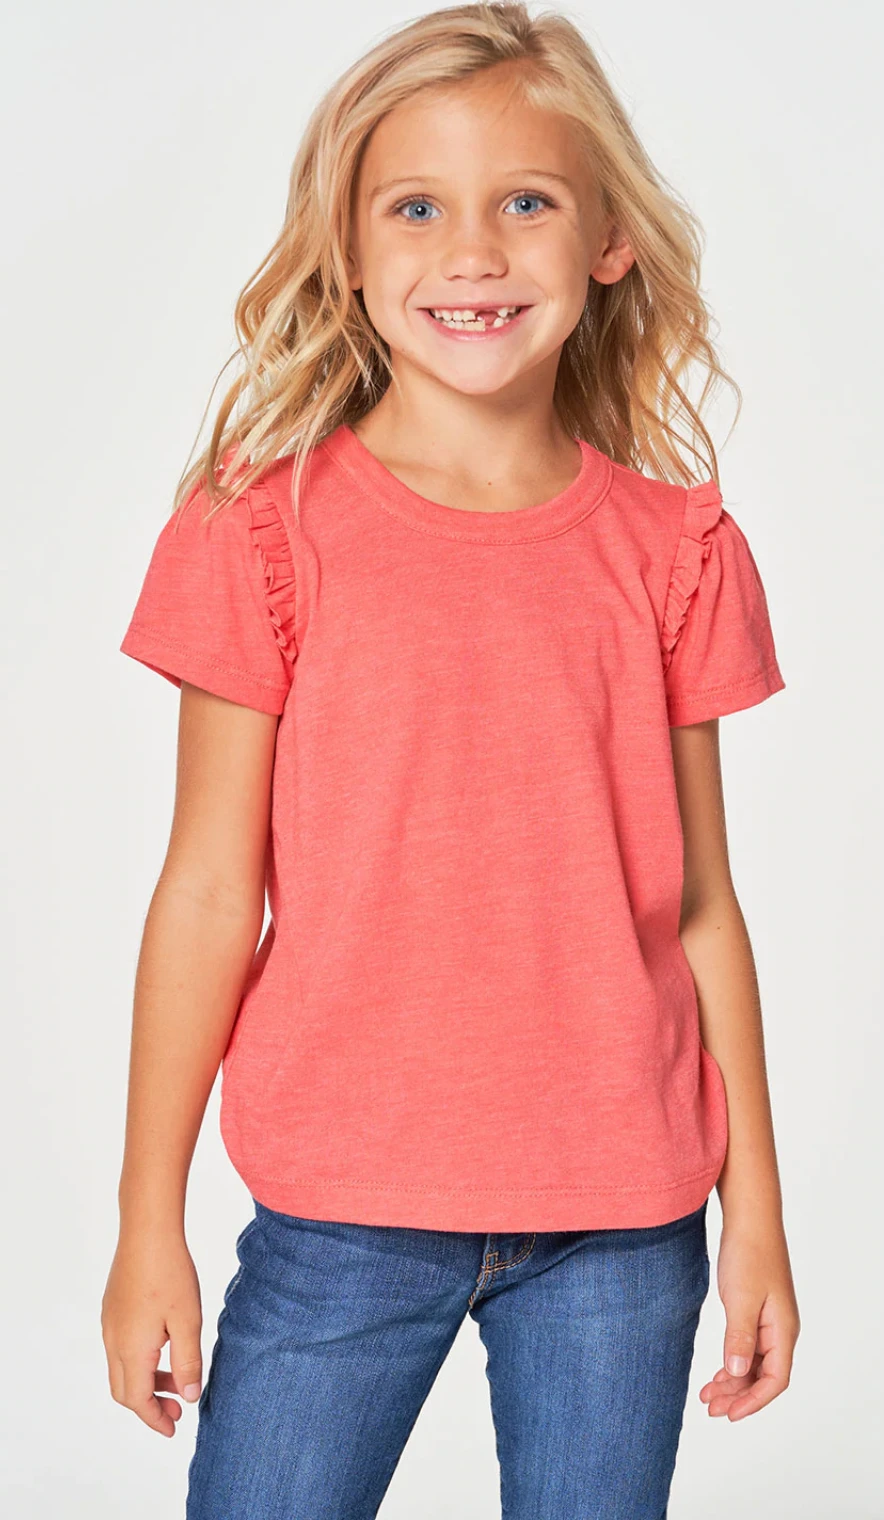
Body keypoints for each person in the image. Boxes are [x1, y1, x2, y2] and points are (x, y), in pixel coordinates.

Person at [101, 4, 800, 1515]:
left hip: (625, 1227)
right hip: (339, 1213)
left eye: (525, 202)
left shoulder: (676, 550)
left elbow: (700, 905)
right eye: (416, 208)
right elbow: (209, 890)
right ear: (348, 253)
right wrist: (147, 1219)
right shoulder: (261, 531)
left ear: (608, 240)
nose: (471, 252)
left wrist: (757, 1212)